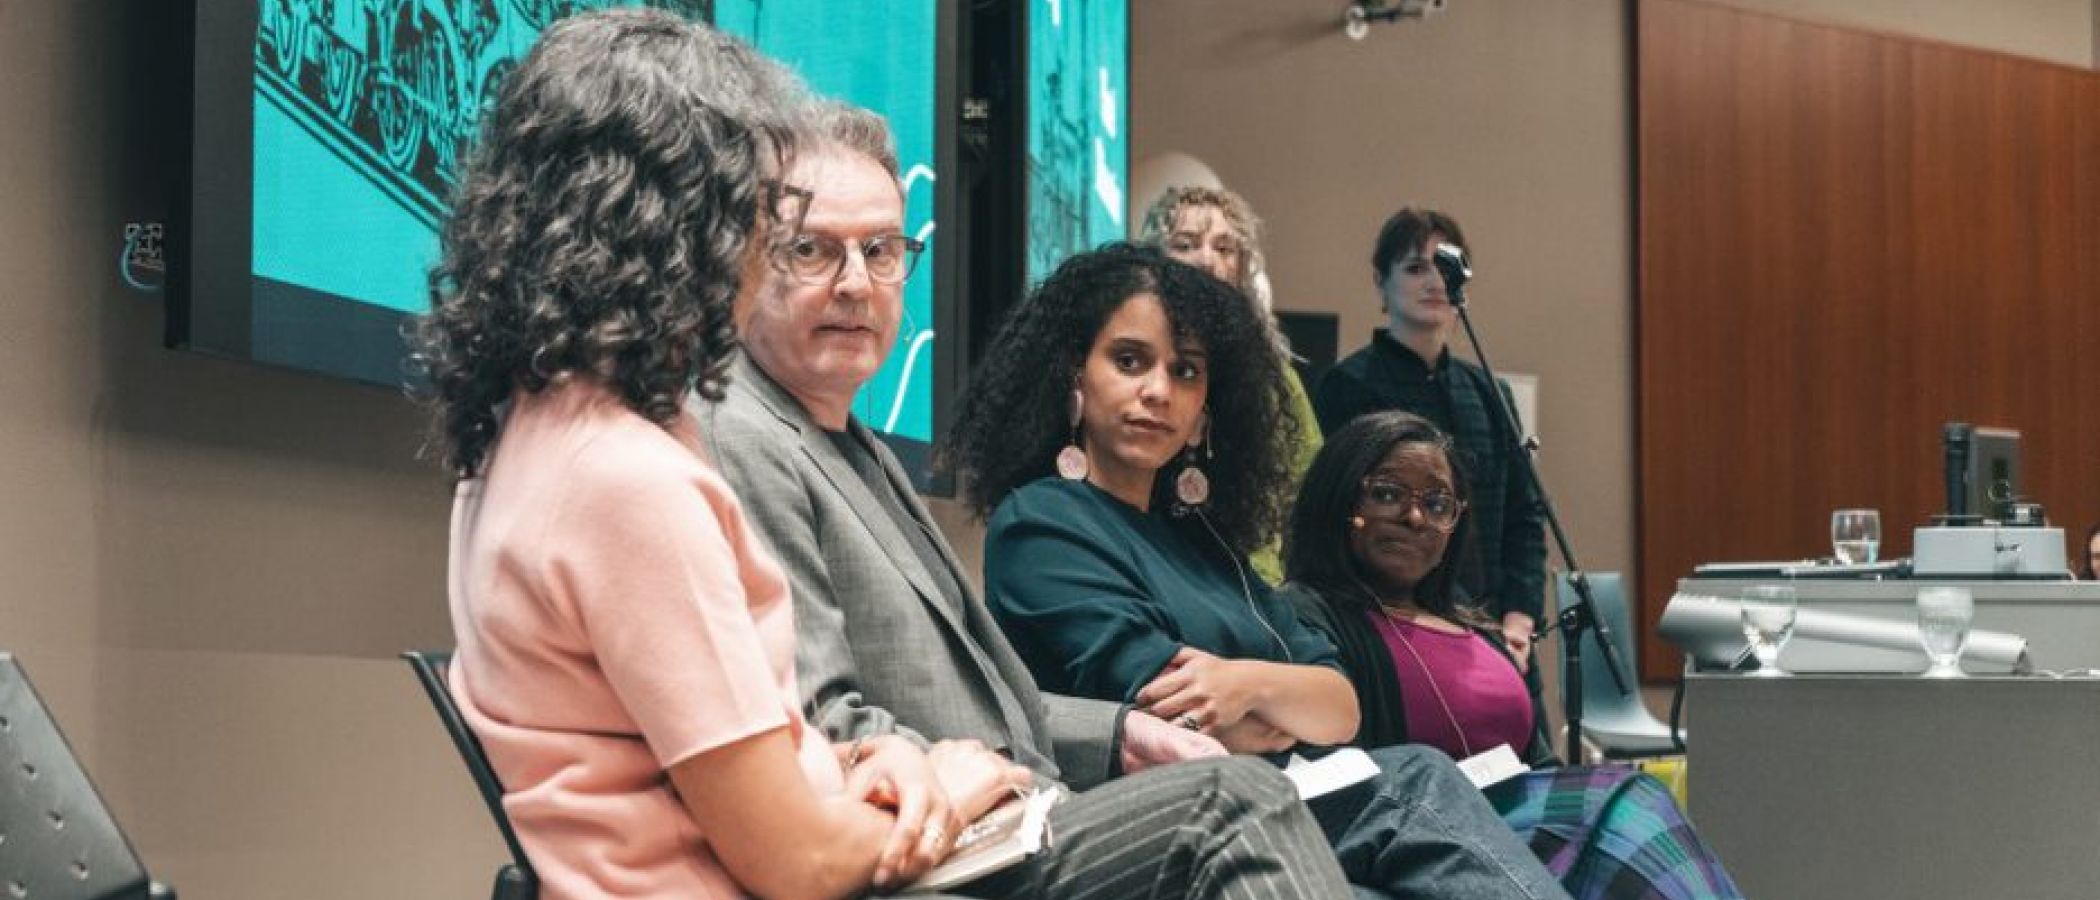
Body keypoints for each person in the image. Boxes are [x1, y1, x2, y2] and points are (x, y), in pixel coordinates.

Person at [692, 102, 1351, 899]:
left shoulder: (852, 440)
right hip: (941, 849)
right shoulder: (741, 434)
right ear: (747, 261)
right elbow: (821, 725)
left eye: (882, 250)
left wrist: (1122, 734)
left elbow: (987, 703)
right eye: (812, 249)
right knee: (1234, 799)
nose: (857, 282)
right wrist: (993, 780)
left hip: (1022, 808)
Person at [945, 241, 1575, 900]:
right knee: (1417, 778)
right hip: (1153, 828)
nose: (1158, 391)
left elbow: (1342, 706)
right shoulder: (1042, 522)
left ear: (1205, 412)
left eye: (1185, 371)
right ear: (1075, 376)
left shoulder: (1206, 544)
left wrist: (1242, 683)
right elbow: (1174, 721)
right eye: (1129, 361)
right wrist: (1281, 698)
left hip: (1284, 802)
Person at [1280, 411, 1745, 900]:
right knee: (1631, 803)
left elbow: (1538, 760)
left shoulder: (1473, 624)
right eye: (1387, 494)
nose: (1415, 518)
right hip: (1435, 836)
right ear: (1339, 498)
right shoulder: (1303, 615)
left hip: (1526, 818)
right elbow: (1344, 782)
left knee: (1625, 810)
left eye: (1436, 504)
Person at [1312, 208, 1548, 677]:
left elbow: (1525, 515)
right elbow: (1339, 521)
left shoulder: (1489, 391)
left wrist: (1519, 618)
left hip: (1497, 632)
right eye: (1415, 267)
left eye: (1446, 268)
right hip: (1393, 630)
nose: (1435, 281)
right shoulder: (1348, 385)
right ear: (1381, 283)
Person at [1136, 186, 1320, 584]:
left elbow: (1309, 485)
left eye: (1224, 248)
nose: (1207, 261)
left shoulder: (1274, 375)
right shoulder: (1129, 360)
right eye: (1185, 244)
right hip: (1146, 564)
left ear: (1243, 267)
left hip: (1253, 581)